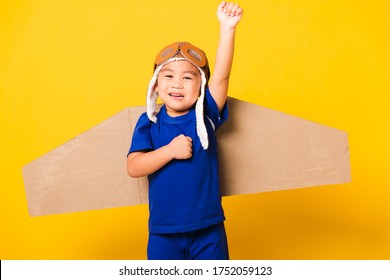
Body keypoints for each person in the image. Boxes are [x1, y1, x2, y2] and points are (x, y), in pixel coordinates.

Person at [127, 1, 243, 260]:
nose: (177, 83)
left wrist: (227, 28)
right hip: (163, 232)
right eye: (168, 76)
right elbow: (134, 167)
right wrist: (169, 151)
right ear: (155, 85)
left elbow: (222, 77)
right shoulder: (149, 121)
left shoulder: (206, 114)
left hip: (208, 229)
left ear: (200, 87)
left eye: (188, 77)